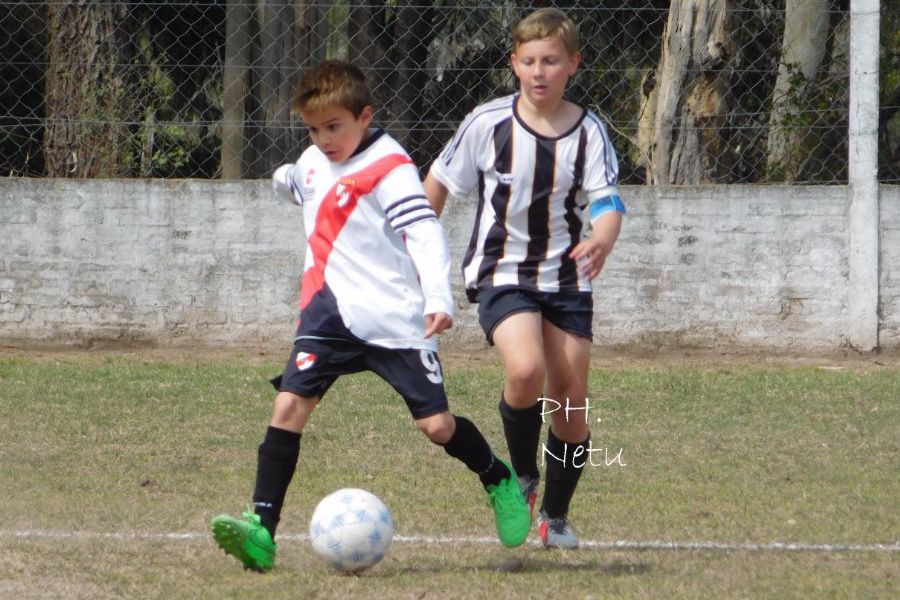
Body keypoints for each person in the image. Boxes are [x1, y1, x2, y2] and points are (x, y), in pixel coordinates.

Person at [210, 60, 530, 572]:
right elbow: (300, 181)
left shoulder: (391, 169)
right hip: (326, 314)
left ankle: (497, 478)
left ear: (364, 117)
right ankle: (260, 530)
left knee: (437, 426)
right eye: (313, 129)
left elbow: (424, 235)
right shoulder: (315, 159)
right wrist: (282, 177)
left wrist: (438, 300)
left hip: (394, 319)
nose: (323, 139)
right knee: (289, 408)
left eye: (334, 127)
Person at [423, 8, 625, 549]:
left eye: (551, 61)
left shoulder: (590, 132)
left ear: (572, 64)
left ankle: (554, 518)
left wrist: (603, 238)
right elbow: (438, 184)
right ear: (514, 63)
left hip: (566, 279)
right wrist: (415, 254)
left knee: (570, 403)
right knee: (526, 367)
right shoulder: (487, 123)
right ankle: (522, 476)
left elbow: (607, 204)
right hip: (501, 273)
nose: (539, 71)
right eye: (529, 61)